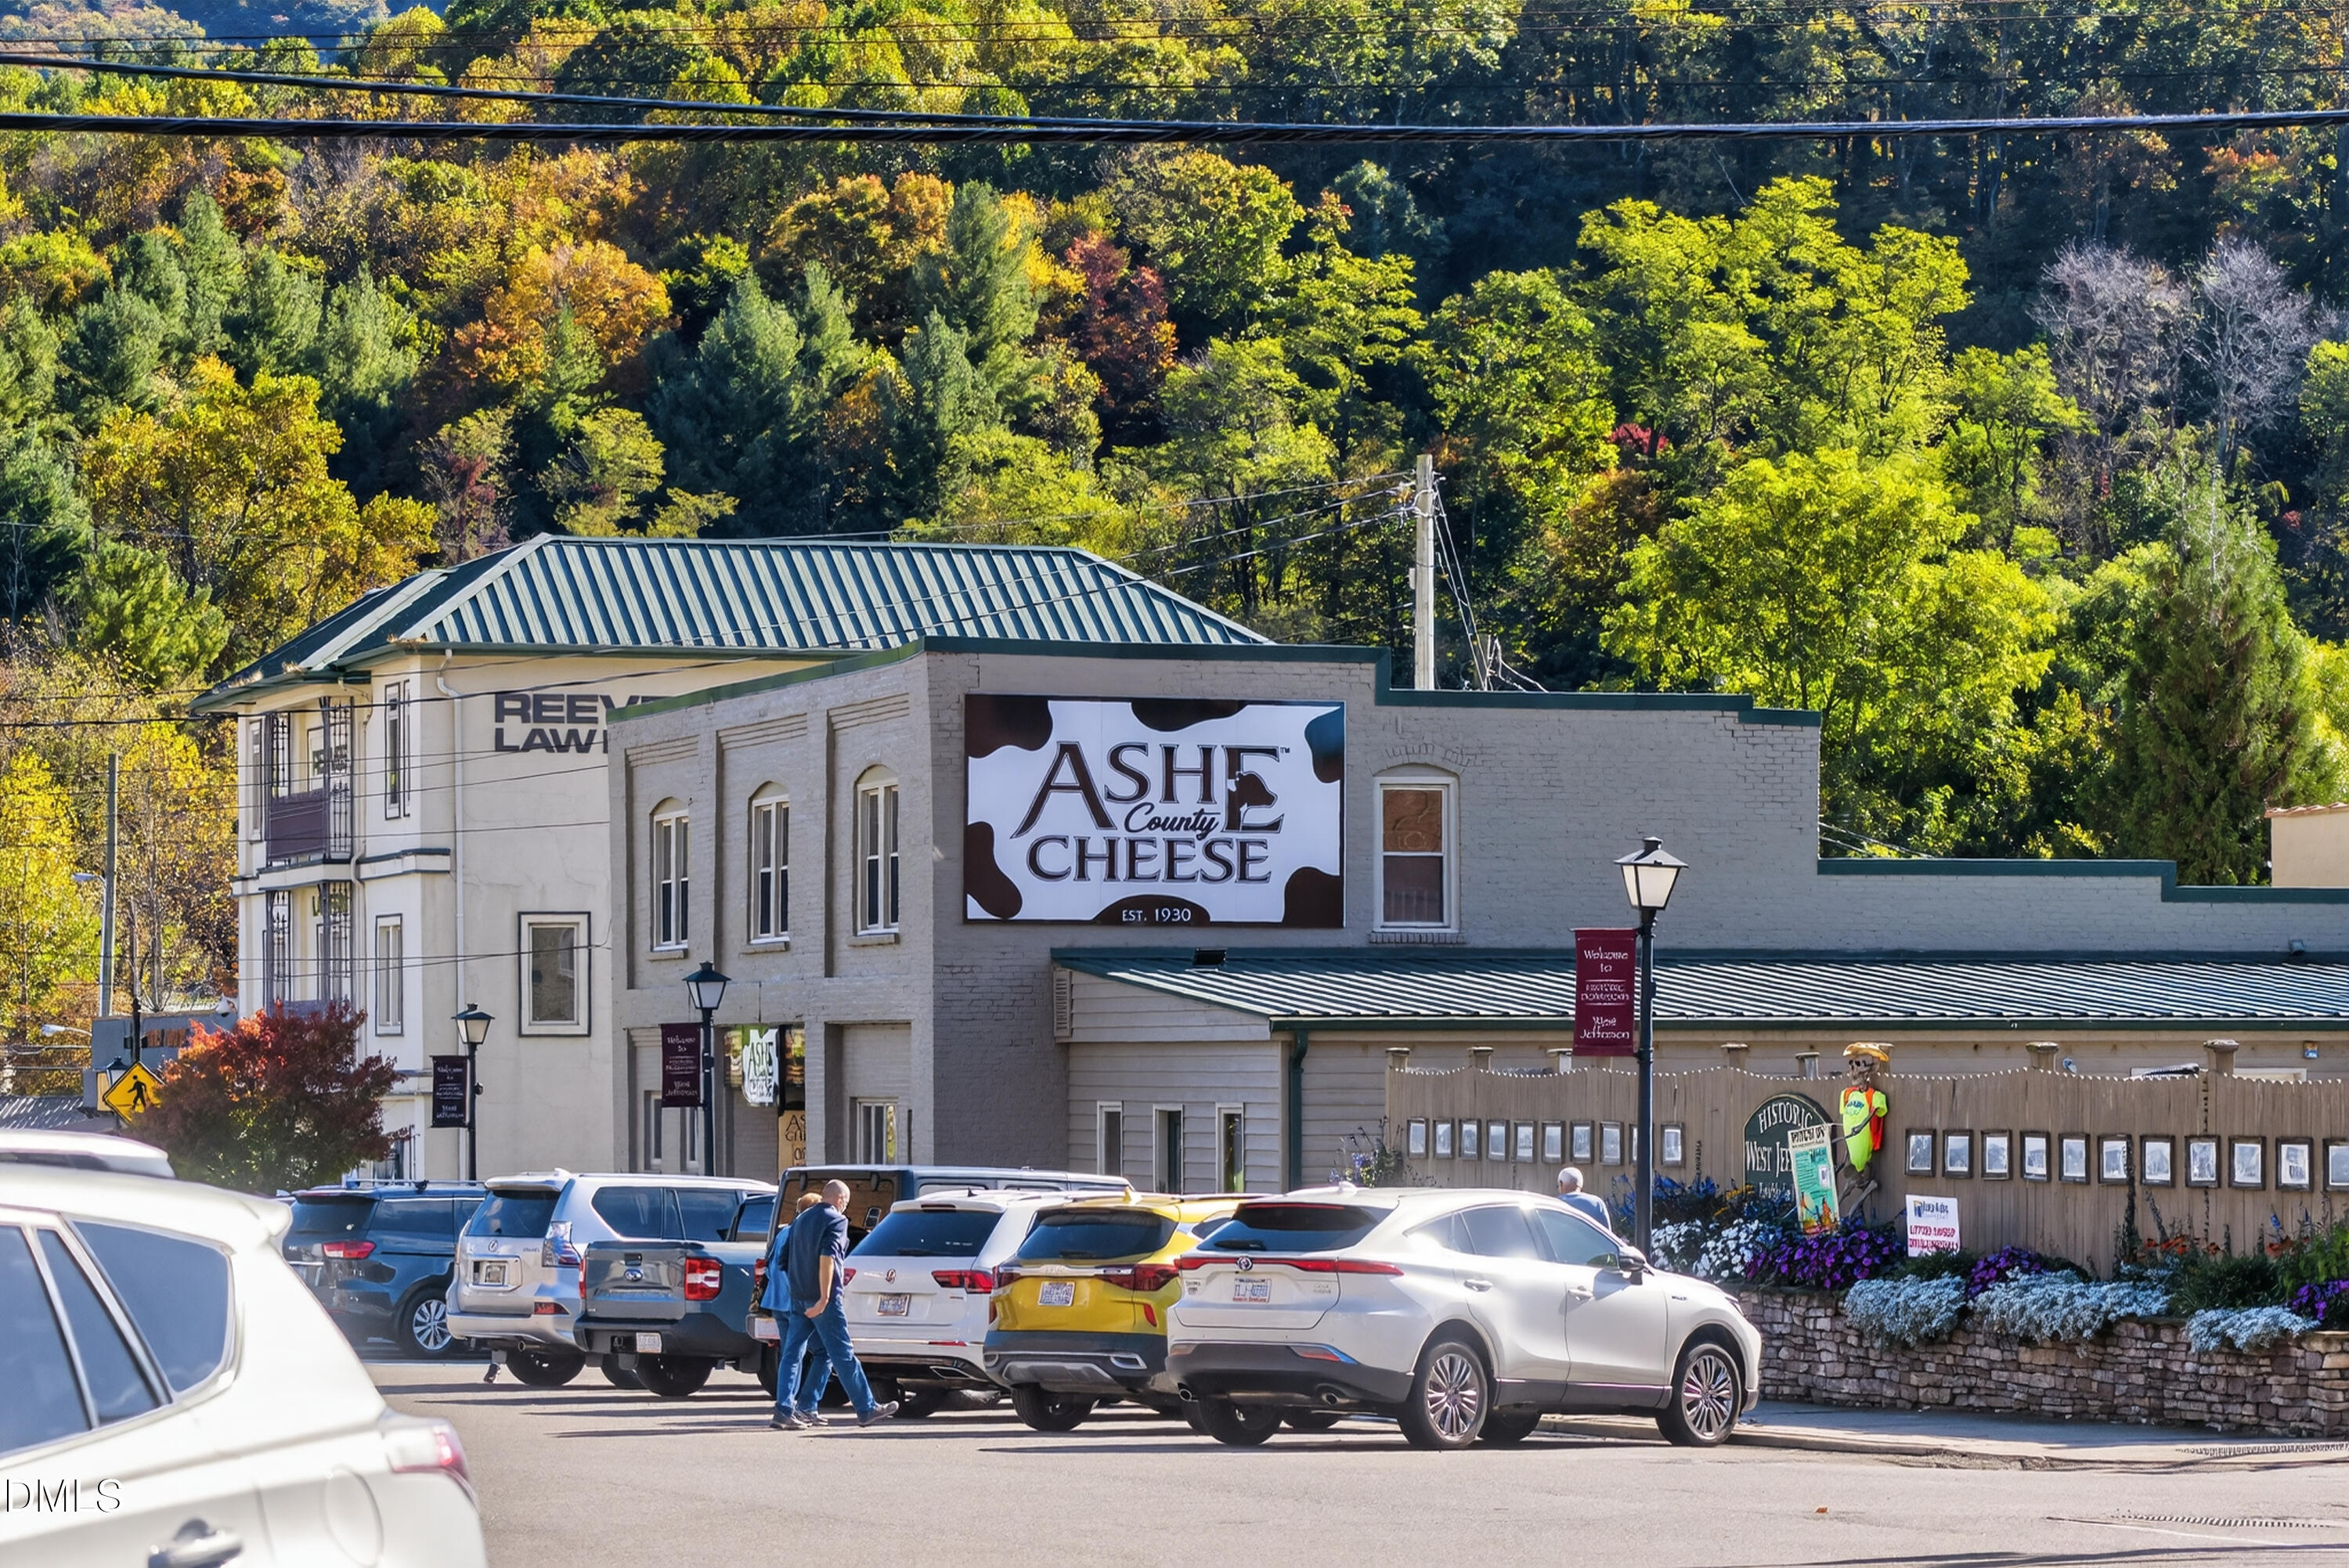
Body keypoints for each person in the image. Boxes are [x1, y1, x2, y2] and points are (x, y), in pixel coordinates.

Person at [771, 1180, 897, 1429]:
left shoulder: (799, 1220)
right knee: (842, 1352)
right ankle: (866, 1408)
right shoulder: (837, 1221)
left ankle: (787, 1409)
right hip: (822, 1299)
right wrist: (824, 1298)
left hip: (798, 1298)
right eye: (846, 1203)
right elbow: (828, 1256)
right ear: (840, 1200)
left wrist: (801, 1291)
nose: (845, 1208)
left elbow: (783, 1261)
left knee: (793, 1353)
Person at [762, 1194, 834, 1425]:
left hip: (777, 1303)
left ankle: (790, 1408)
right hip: (798, 1303)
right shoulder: (803, 1235)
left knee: (791, 1354)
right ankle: (801, 1407)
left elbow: (771, 1267)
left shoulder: (783, 1232)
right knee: (822, 1351)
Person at [1556, 1167, 1612, 1231]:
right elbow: (1607, 1234)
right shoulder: (1597, 1203)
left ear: (1561, 1184)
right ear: (1581, 1185)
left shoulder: (1555, 1205)